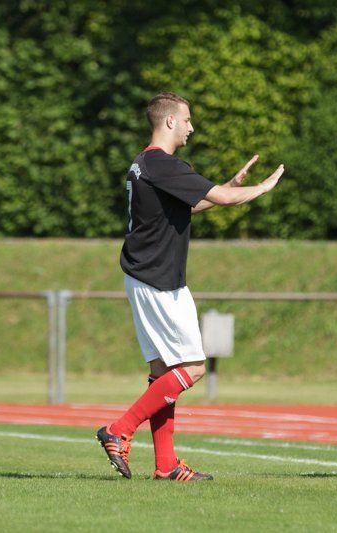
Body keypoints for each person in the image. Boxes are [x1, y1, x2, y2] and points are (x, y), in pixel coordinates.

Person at [96, 92, 284, 481]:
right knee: (194, 367)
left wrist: (227, 187)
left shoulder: (143, 164)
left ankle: (166, 465)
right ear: (169, 121)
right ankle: (119, 429)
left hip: (146, 275)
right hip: (158, 279)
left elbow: (191, 204)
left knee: (163, 370)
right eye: (187, 119)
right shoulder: (162, 163)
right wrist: (260, 189)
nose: (191, 127)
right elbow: (223, 199)